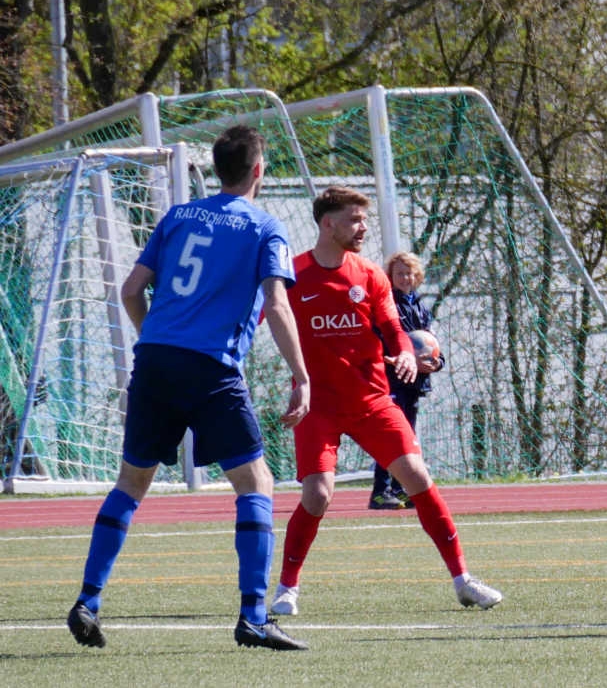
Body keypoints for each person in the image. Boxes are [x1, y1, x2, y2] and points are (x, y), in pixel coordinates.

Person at [67, 125, 311, 651]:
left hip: (154, 359)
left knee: (130, 484)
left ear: (218, 168)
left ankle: (88, 599)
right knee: (257, 484)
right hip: (211, 368)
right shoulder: (266, 228)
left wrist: (155, 337)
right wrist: (301, 374)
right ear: (258, 171)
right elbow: (276, 305)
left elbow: (131, 290)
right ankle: (253, 616)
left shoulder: (178, 216)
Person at [269, 186, 501, 617]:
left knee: (416, 474)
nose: (363, 227)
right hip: (318, 403)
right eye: (355, 219)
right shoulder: (293, 274)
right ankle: (286, 589)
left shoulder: (371, 274)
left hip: (371, 398)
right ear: (328, 223)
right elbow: (256, 317)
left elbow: (392, 329)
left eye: (364, 219)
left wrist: (407, 355)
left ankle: (462, 579)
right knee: (318, 495)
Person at [368, 251, 444, 510]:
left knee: (407, 437)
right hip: (393, 382)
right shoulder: (387, 304)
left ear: (418, 276)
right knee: (393, 438)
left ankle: (400, 490)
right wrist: (402, 360)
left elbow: (432, 345)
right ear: (391, 277)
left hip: (414, 383)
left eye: (410, 273)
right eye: (400, 273)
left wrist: (435, 362)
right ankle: (381, 491)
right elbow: (381, 344)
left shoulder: (421, 309)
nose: (405, 278)